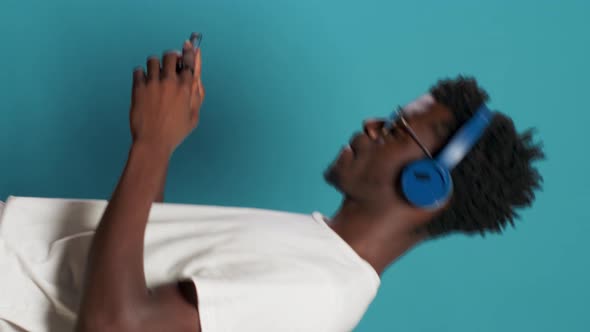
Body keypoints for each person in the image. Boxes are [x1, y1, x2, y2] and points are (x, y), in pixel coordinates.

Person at [0, 37, 544, 332]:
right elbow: (138, 269)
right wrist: (163, 143)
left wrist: (152, 145)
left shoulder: (318, 294)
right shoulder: (319, 254)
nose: (374, 126)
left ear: (426, 184)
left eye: (398, 128)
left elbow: (115, 328)